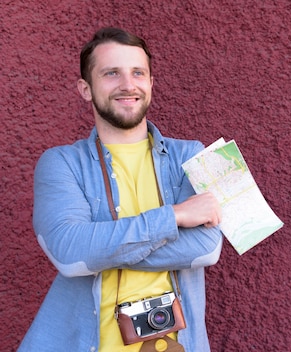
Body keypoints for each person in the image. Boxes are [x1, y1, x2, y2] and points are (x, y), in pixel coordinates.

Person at [19, 27, 224, 352]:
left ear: (151, 83)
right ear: (85, 89)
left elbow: (206, 248)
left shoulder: (196, 155)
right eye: (111, 73)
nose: (128, 85)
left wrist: (100, 248)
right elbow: (70, 255)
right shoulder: (60, 163)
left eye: (138, 73)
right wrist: (175, 216)